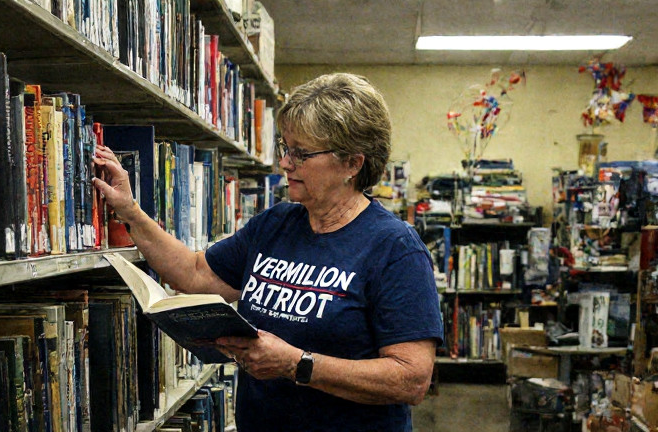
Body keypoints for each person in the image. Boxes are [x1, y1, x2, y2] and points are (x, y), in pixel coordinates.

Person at [93, 72, 443, 432]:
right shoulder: (276, 224)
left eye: (302, 154)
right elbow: (194, 273)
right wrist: (130, 211)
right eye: (285, 148)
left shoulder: (395, 248)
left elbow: (411, 379)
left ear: (353, 164)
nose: (286, 164)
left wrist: (296, 364)